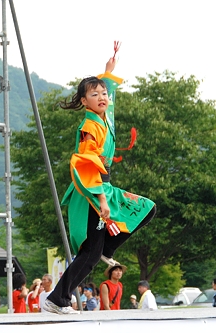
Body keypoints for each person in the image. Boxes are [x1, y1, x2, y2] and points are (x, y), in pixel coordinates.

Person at [43, 56, 156, 315]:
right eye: (95, 94)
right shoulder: (89, 127)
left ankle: (107, 247)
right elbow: (84, 164)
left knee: (146, 208)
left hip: (105, 187)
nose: (102, 97)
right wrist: (101, 200)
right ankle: (57, 299)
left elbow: (109, 93)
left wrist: (107, 73)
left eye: (104, 93)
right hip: (92, 191)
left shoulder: (105, 115)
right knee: (90, 254)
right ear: (84, 101)